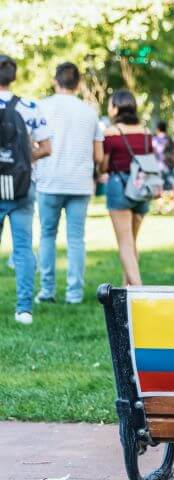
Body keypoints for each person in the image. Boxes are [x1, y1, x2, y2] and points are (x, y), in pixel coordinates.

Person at [34, 62, 103, 306]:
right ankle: (74, 294)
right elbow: (98, 156)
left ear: (55, 80)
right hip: (79, 183)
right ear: (78, 84)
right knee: (76, 239)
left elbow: (34, 143)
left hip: (49, 181)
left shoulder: (41, 107)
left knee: (47, 236)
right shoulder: (90, 112)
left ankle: (47, 290)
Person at [0, 53, 52, 325]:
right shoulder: (31, 106)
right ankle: (23, 310)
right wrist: (21, 160)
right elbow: (46, 148)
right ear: (14, 77)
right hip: (22, 187)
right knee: (22, 249)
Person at [101, 89, 154, 286]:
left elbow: (104, 165)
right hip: (142, 189)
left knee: (125, 242)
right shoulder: (146, 133)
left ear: (115, 108)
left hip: (120, 187)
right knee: (132, 241)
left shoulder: (111, 133)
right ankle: (126, 288)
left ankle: (138, 290)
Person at [152, 121, 174, 191]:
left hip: (160, 164)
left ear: (158, 129)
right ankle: (173, 194)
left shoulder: (155, 139)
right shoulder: (170, 139)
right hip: (170, 163)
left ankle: (161, 195)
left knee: (160, 181)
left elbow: (155, 151)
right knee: (170, 180)